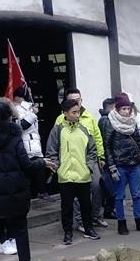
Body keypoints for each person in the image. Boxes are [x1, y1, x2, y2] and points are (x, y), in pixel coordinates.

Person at [0, 98, 50, 261]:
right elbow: (27, 165)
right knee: (20, 227)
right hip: (15, 190)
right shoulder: (14, 138)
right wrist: (42, 162)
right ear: (10, 117)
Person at [47, 98, 101, 244]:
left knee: (86, 205)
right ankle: (68, 232)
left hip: (83, 174)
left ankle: (89, 229)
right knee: (67, 207)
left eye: (78, 112)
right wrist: (57, 167)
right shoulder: (58, 130)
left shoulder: (84, 129)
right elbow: (51, 151)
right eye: (74, 112)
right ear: (65, 113)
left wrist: (89, 167)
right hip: (65, 175)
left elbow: (92, 150)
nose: (77, 115)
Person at [55, 88, 108, 231]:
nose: (76, 102)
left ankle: (96, 215)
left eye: (78, 99)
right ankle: (79, 221)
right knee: (75, 195)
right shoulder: (60, 120)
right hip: (70, 162)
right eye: (72, 100)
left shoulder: (89, 117)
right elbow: (56, 143)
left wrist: (101, 156)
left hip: (90, 160)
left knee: (97, 186)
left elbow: (96, 137)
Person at [104, 93, 140, 235]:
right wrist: (111, 166)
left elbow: (137, 141)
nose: (126, 111)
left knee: (136, 194)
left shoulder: (132, 122)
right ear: (117, 109)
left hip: (134, 164)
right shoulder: (110, 123)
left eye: (128, 108)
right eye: (123, 109)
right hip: (119, 165)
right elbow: (107, 146)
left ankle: (139, 220)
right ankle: (121, 223)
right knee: (119, 196)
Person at [97, 97, 118, 221]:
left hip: (106, 157)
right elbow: (106, 141)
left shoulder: (103, 119)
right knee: (110, 185)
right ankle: (109, 210)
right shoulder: (106, 121)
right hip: (108, 158)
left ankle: (109, 209)